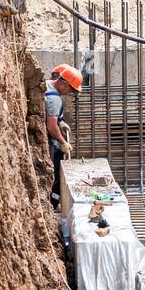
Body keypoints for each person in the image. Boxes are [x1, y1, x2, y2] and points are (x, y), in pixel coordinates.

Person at [45, 64, 82, 208]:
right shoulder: (55, 99)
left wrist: (60, 122)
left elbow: (49, 114)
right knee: (55, 174)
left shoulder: (47, 85)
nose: (70, 92)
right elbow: (51, 125)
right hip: (49, 141)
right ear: (62, 83)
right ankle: (52, 203)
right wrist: (62, 142)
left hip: (48, 136)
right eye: (70, 89)